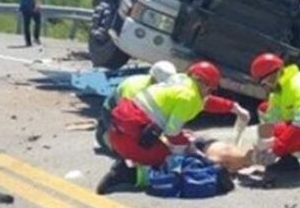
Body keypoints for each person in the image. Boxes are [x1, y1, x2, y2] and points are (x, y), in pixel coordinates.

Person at [96, 61, 250, 194]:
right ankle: (127, 174)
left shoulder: (180, 81)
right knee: (168, 163)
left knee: (173, 150)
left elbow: (204, 102)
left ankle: (134, 161)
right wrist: (191, 151)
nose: (210, 92)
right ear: (204, 85)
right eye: (210, 89)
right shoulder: (189, 96)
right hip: (132, 137)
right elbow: (172, 132)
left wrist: (233, 107)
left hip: (120, 129)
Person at [95, 61, 177, 153]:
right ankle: (105, 135)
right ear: (154, 79)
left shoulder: (164, 90)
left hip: (139, 113)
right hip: (114, 111)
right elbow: (126, 116)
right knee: (126, 149)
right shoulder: (134, 88)